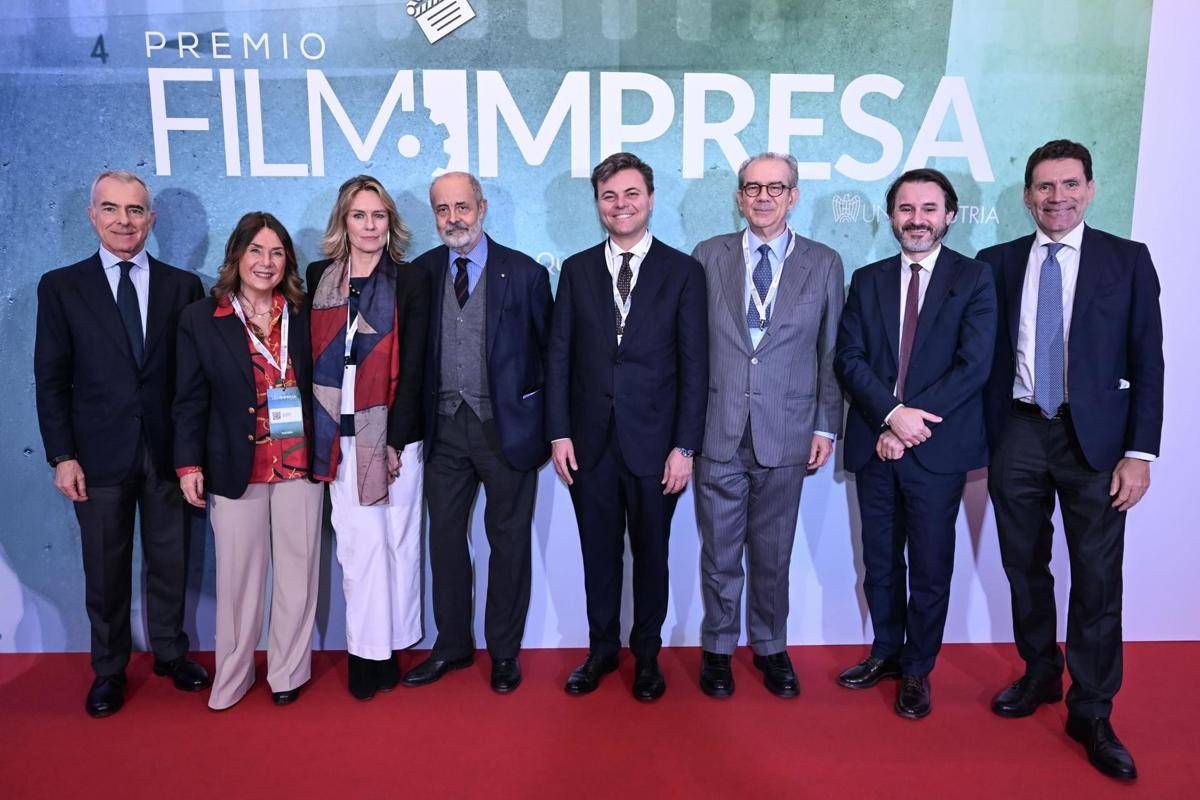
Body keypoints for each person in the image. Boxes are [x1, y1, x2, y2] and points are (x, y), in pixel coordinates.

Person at [978, 140, 1163, 781]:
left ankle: (1092, 710)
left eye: (1069, 184)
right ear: (1027, 195)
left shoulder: (1127, 260)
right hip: (1019, 433)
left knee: (1097, 577)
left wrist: (1139, 453)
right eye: (1044, 187)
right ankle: (1040, 672)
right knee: (1023, 565)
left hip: (1098, 445)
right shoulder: (997, 262)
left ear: (1090, 188)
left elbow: (1148, 360)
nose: (1057, 197)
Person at [34, 169, 210, 717]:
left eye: (135, 210)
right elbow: (51, 379)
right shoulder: (61, 287)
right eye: (110, 209)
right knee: (105, 570)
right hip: (97, 456)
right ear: (93, 216)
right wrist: (63, 455)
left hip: (167, 453)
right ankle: (109, 669)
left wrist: (191, 456)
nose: (123, 221)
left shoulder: (183, 286)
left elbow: (191, 382)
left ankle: (170, 653)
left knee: (170, 561)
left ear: (150, 219)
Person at [834, 168, 996, 719]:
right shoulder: (868, 279)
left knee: (929, 566)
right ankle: (885, 651)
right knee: (879, 561)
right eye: (906, 209)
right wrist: (890, 416)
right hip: (876, 443)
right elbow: (849, 359)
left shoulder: (974, 278)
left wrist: (909, 424)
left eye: (929, 208)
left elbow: (973, 366)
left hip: (936, 448)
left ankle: (917, 668)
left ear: (949, 215)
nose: (917, 219)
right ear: (891, 216)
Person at [546, 152, 708, 702]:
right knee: (598, 555)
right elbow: (558, 356)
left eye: (631, 193)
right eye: (609, 196)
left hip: (657, 447)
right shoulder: (576, 270)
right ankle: (601, 650)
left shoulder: (683, 271)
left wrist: (685, 446)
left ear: (651, 199)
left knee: (652, 556)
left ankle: (647, 657)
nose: (621, 205)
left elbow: (695, 366)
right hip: (588, 445)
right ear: (598, 204)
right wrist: (559, 432)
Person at [689, 153, 843, 699]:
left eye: (775, 188)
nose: (762, 197)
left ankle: (771, 645)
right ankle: (718, 647)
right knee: (719, 553)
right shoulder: (708, 255)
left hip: (789, 431)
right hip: (718, 430)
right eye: (752, 187)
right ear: (739, 197)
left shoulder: (824, 262)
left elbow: (831, 352)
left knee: (773, 554)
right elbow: (690, 349)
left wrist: (825, 426)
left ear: (793, 196)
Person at [401, 173, 552, 694]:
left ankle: (504, 652)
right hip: (443, 431)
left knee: (508, 543)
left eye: (462, 207)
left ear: (482, 208)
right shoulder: (421, 274)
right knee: (445, 542)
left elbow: (549, 357)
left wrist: (546, 428)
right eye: (442, 210)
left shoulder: (526, 273)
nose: (453, 219)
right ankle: (452, 645)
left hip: (506, 432)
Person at [173, 212, 322, 710]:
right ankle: (233, 677)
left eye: (276, 252)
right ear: (236, 255)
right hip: (235, 466)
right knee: (238, 581)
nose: (266, 262)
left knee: (298, 573)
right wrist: (188, 465)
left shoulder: (303, 312)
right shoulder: (202, 318)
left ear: (288, 261)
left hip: (300, 464)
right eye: (256, 250)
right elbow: (188, 399)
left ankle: (287, 671)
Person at [308, 175, 431, 700]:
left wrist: (396, 441)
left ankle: (393, 646)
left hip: (397, 438)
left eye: (378, 216)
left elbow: (417, 366)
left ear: (390, 223)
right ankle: (366, 654)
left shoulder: (411, 280)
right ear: (344, 221)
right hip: (340, 435)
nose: (369, 225)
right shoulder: (318, 277)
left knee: (398, 544)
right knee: (360, 549)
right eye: (359, 215)